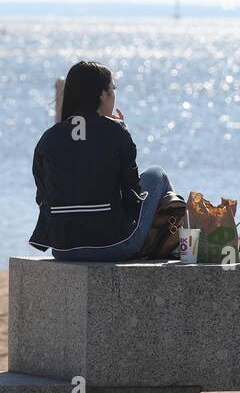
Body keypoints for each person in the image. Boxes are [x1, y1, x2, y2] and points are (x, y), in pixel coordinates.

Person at [28, 60, 174, 262]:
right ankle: (175, 242)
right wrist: (120, 130)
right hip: (113, 245)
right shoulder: (115, 133)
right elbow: (133, 193)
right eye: (112, 89)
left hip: (62, 248)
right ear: (102, 94)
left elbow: (42, 196)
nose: (114, 96)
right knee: (156, 174)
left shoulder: (49, 138)